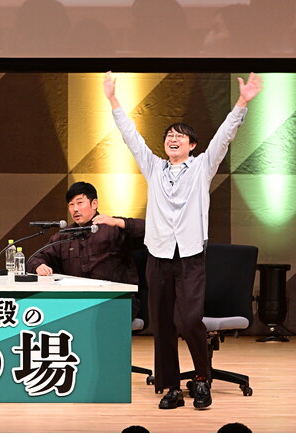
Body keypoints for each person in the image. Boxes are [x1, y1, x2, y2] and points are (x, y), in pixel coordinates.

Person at [103, 71, 263, 409]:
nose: (173, 139)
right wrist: (113, 100)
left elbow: (224, 136)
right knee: (162, 324)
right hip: (158, 255)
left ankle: (202, 378)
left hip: (190, 256)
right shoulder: (154, 168)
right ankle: (171, 387)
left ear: (192, 145)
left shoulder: (203, 167)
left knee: (188, 320)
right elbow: (131, 136)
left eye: (180, 136)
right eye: (169, 135)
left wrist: (242, 102)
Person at [28, 181, 144, 285]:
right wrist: (38, 266)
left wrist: (119, 222)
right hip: (77, 298)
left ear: (94, 204)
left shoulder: (112, 227)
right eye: (71, 204)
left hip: (114, 298)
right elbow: (35, 258)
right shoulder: (64, 236)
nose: (75, 209)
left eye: (80, 203)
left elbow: (148, 232)